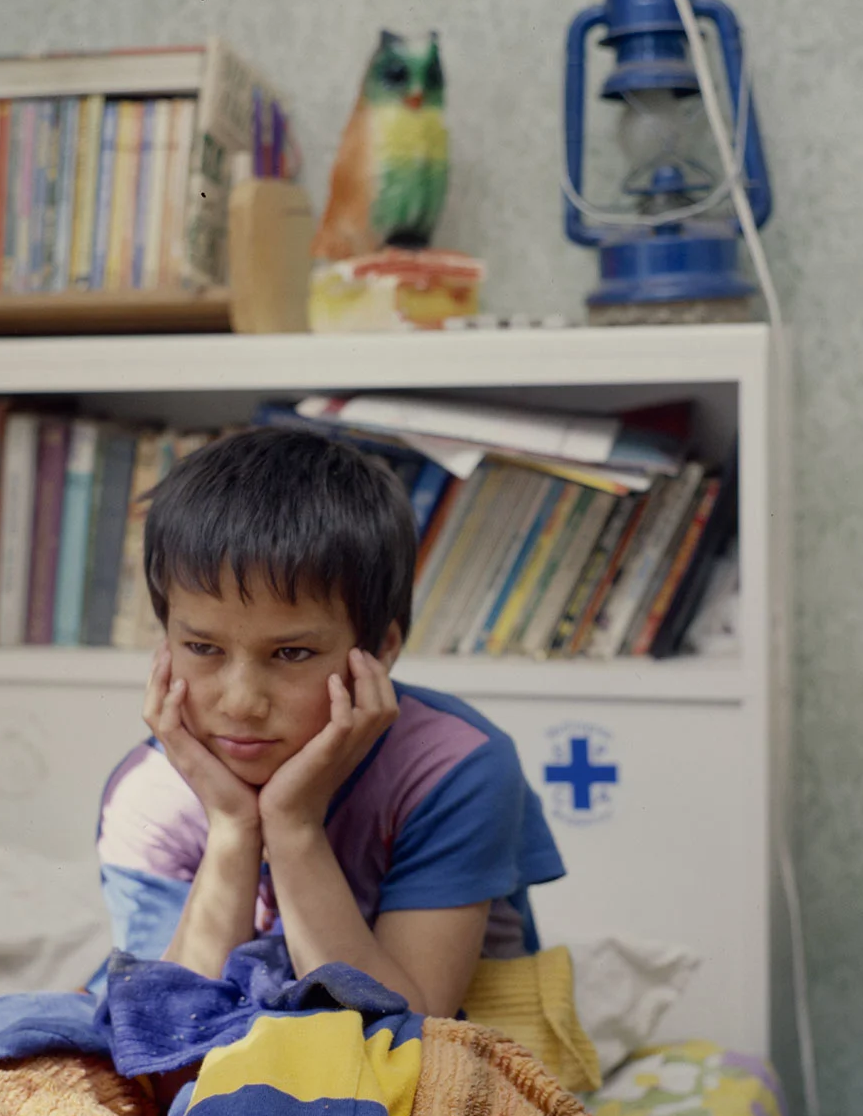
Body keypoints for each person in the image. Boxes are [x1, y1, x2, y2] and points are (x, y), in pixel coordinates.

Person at [90, 424, 564, 1020]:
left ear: (381, 649)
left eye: (291, 654)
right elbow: (164, 1039)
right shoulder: (147, 795)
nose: (240, 703)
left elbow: (409, 1034)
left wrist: (293, 826)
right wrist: (233, 829)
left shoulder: (452, 770)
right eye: (203, 648)